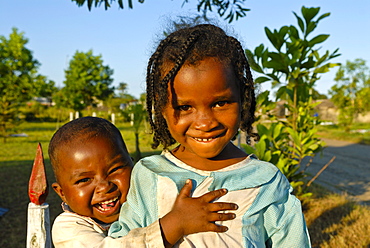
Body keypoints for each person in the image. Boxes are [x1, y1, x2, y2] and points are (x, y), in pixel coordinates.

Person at [109, 24, 311, 247]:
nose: (205, 123)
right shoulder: (149, 175)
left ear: (242, 99)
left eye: (220, 103)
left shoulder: (266, 182)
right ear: (162, 108)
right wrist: (174, 223)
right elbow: (122, 242)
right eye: (185, 107)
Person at [49, 116, 238, 248]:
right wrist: (176, 223)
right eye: (84, 180)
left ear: (133, 165)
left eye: (115, 170)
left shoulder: (145, 201)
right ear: (62, 192)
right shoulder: (68, 227)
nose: (104, 186)